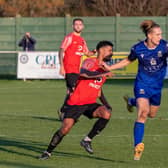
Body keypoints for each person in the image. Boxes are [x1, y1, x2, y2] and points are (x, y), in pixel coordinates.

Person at [102, 20, 168, 160]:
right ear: (149, 36)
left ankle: (132, 102)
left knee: (151, 114)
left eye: (161, 34)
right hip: (142, 85)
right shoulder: (138, 48)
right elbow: (127, 60)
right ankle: (138, 146)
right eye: (157, 34)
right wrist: (110, 68)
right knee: (143, 114)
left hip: (157, 87)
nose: (160, 37)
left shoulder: (164, 46)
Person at [39, 40, 113, 160]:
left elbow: (98, 90)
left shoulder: (105, 68)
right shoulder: (90, 61)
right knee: (65, 129)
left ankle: (87, 140)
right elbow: (83, 74)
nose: (111, 53)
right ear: (101, 50)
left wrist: (106, 104)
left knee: (106, 113)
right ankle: (48, 152)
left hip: (89, 103)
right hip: (76, 102)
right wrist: (101, 74)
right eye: (109, 50)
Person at [58, 18, 96, 120]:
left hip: (77, 70)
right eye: (76, 24)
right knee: (74, 91)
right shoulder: (69, 38)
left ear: (83, 27)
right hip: (69, 69)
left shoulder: (82, 41)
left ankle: (63, 110)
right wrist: (61, 66)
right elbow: (61, 51)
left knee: (71, 91)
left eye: (80, 24)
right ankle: (67, 112)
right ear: (73, 26)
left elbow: (88, 54)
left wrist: (96, 50)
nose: (78, 26)